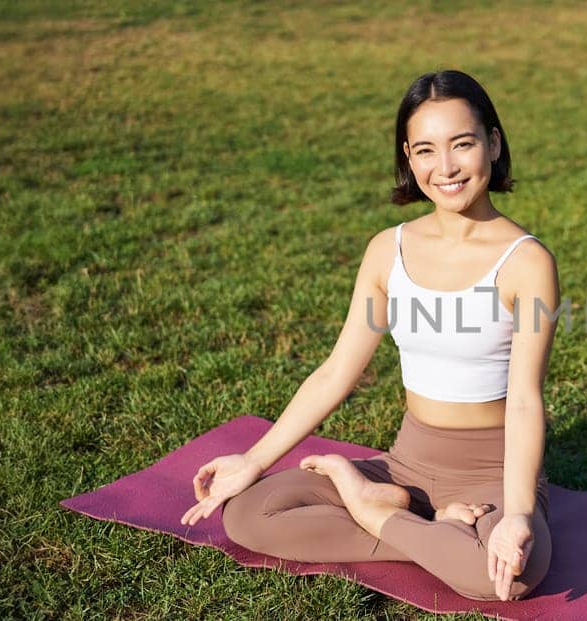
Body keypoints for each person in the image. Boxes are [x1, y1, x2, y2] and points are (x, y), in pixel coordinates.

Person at [177, 69, 559, 602]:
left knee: (510, 576)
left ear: (493, 144)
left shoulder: (527, 262)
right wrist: (254, 460)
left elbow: (523, 401)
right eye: (425, 150)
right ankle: (406, 513)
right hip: (406, 463)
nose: (444, 168)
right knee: (247, 514)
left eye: (463, 144)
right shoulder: (388, 250)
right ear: (408, 156)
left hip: (491, 471)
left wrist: (517, 513)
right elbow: (337, 370)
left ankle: (374, 509)